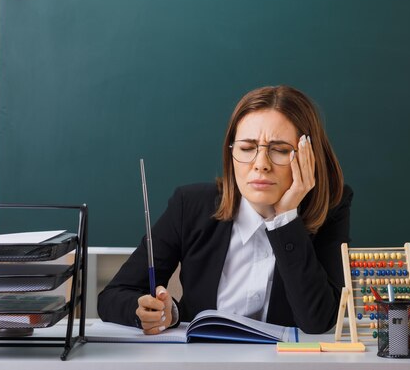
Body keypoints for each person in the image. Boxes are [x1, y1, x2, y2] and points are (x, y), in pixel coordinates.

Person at [97, 85, 352, 334]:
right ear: (231, 153)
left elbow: (318, 321)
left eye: (281, 150)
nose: (260, 164)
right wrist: (161, 313)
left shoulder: (332, 208)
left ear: (309, 157)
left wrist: (286, 220)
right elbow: (112, 297)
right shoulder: (191, 205)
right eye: (247, 148)